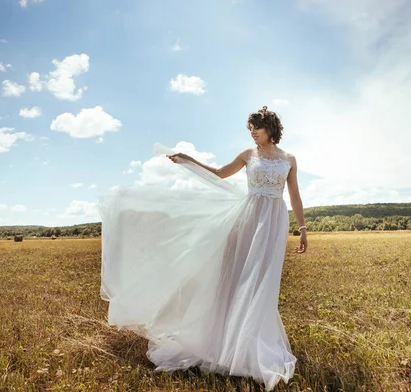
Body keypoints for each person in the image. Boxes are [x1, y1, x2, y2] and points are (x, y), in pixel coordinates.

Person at [98, 105, 308, 391]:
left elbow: (294, 195)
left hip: (274, 222)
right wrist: (188, 160)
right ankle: (226, 345)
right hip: (249, 220)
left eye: (255, 129)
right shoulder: (249, 155)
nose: (252, 134)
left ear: (269, 128)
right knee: (239, 280)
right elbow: (220, 173)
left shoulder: (289, 159)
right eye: (250, 130)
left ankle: (250, 344)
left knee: (264, 284)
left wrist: (303, 228)